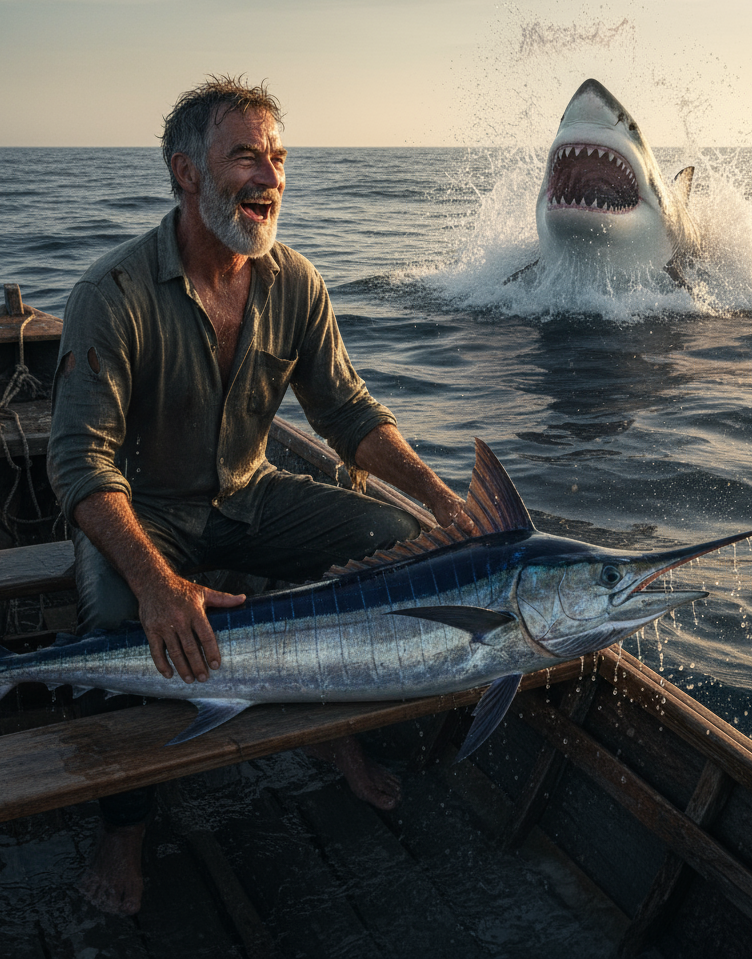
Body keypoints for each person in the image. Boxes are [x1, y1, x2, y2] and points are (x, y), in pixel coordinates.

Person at [46, 76, 475, 916]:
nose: (270, 176)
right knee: (113, 628)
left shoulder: (295, 282)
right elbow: (80, 467)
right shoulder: (112, 295)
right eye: (246, 155)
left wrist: (440, 502)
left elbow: (348, 414)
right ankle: (123, 829)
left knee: (395, 545)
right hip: (144, 513)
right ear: (187, 173)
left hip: (252, 494)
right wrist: (157, 585)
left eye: (278, 157)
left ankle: (333, 734)